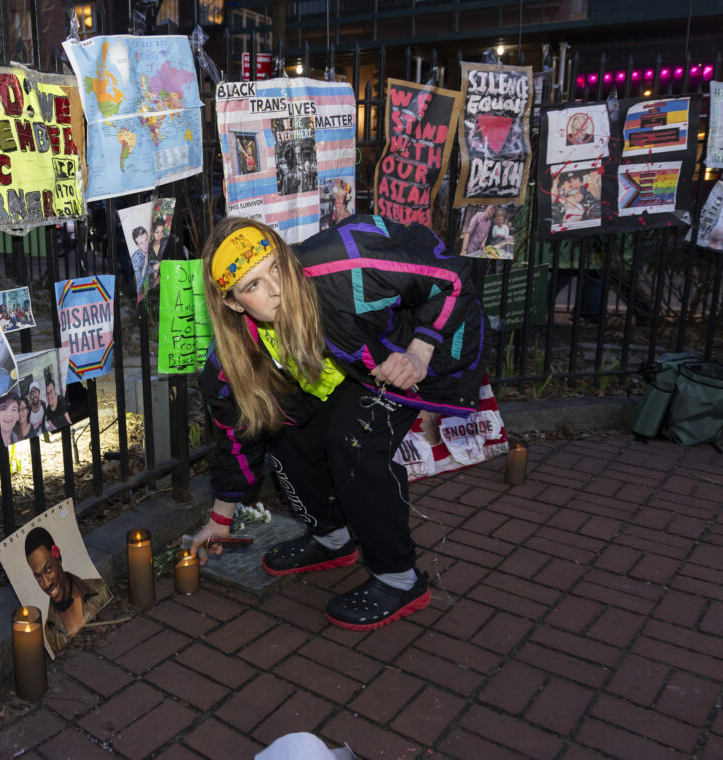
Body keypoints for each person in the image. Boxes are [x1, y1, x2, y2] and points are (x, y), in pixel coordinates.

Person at [190, 215, 485, 631]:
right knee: (282, 428)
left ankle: (399, 579)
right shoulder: (230, 359)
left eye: (276, 266)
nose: (276, 289)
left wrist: (420, 352)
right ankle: (331, 539)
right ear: (234, 303)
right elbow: (236, 436)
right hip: (342, 375)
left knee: (354, 441)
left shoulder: (346, 267)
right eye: (252, 285)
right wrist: (220, 520)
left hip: (399, 354)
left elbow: (450, 277)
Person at [23, 527, 111, 653]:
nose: (46, 584)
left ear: (58, 558)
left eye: (48, 569)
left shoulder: (98, 590)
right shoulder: (50, 631)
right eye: (38, 577)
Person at [129, 226, 149, 294]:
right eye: (141, 243)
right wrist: (146, 262)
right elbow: (139, 285)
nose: (145, 244)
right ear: (137, 245)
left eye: (146, 240)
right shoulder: (136, 259)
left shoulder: (156, 249)